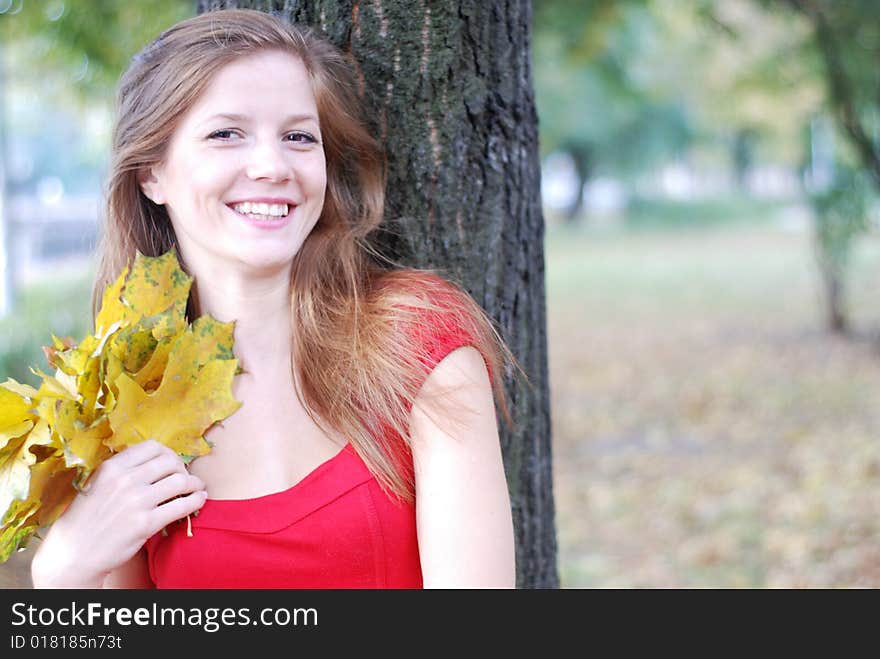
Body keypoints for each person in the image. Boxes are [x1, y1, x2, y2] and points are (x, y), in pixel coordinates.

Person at [30, 8, 517, 589]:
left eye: (297, 137)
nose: (271, 166)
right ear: (151, 173)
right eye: (225, 134)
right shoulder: (130, 400)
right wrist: (62, 571)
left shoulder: (417, 343)